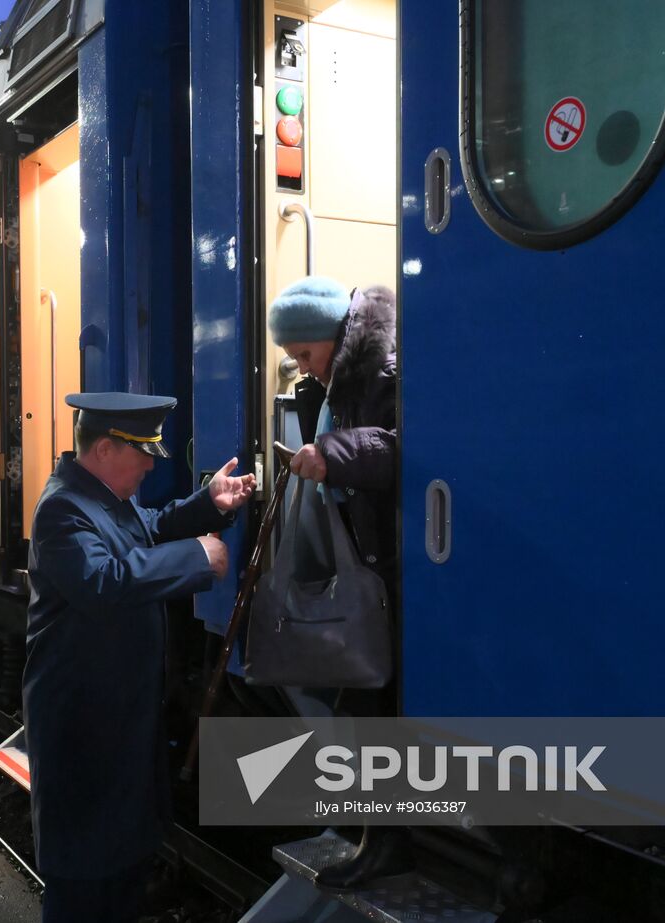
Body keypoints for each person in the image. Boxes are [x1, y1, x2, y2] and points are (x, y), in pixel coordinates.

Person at [23, 391, 256, 923]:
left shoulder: (102, 499)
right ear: (105, 449)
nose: (151, 464)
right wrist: (198, 557)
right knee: (83, 880)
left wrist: (208, 502)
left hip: (116, 723)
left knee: (121, 867)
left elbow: (148, 525)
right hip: (82, 730)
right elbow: (103, 581)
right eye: (142, 452)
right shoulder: (62, 510)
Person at [268, 275, 410, 891]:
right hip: (367, 556)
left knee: (371, 702)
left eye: (304, 353)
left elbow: (406, 446)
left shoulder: (382, 369)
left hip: (390, 562)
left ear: (329, 335)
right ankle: (378, 834)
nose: (304, 367)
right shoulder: (340, 377)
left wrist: (333, 452)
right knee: (362, 700)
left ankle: (387, 844)